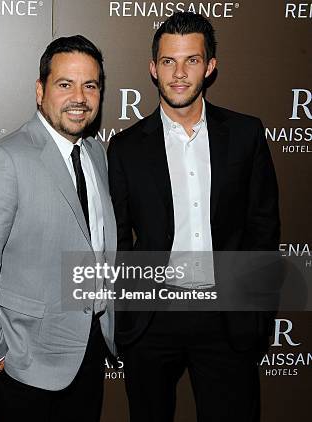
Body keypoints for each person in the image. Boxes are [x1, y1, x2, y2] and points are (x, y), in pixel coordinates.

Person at [107, 12, 280, 422]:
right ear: (153, 69)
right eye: (169, 61)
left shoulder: (245, 134)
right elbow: (116, 240)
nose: (180, 73)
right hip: (152, 319)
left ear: (210, 66)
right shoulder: (126, 148)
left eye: (191, 60)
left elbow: (263, 228)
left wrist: (255, 311)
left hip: (227, 318)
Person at [0, 35, 117, 422]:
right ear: (40, 90)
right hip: (25, 358)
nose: (79, 97)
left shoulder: (96, 152)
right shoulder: (3, 160)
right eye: (65, 84)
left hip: (89, 347)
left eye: (90, 85)